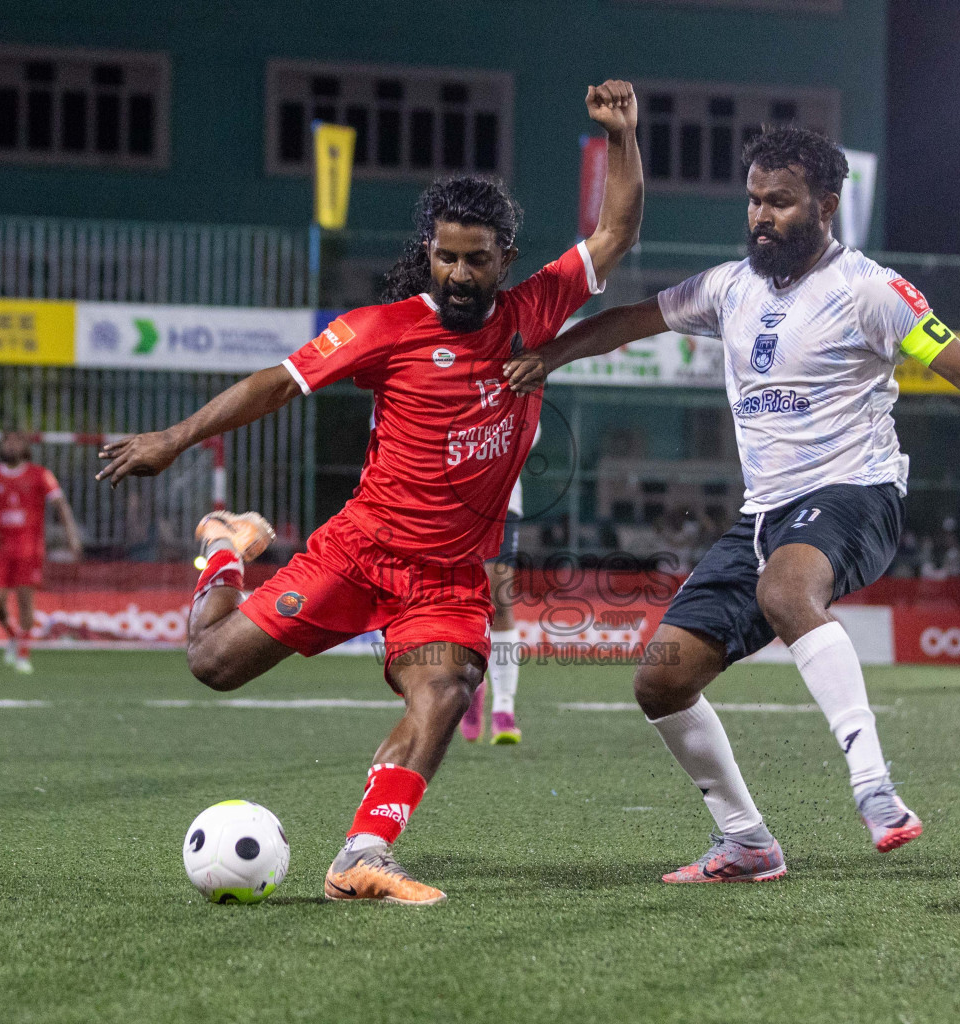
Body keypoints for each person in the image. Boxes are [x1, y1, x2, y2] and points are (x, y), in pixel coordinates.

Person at [503, 125, 960, 883]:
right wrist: (551, 352)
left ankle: (875, 788)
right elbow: (634, 318)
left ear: (825, 205)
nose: (761, 216)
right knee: (660, 678)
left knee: (787, 591)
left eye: (780, 203)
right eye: (754, 201)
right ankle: (747, 841)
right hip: (765, 517)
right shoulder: (728, 286)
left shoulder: (871, 291)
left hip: (858, 493)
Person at [96, 81, 643, 906]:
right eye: (446, 256)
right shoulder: (382, 330)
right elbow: (273, 386)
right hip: (360, 551)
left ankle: (365, 852)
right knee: (212, 664)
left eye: (478, 259)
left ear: (506, 257)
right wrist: (174, 440)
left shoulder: (536, 310)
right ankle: (224, 545)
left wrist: (623, 138)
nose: (460, 274)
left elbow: (617, 228)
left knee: (448, 687)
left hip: (449, 573)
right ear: (428, 251)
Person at [0, 432, 82, 674]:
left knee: (25, 601)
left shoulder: (39, 474)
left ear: (25, 446)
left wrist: (72, 536)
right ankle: (13, 635)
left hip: (29, 549)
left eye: (16, 441)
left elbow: (60, 505)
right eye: (7, 441)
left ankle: (23, 654)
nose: (11, 445)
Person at [460, 464, 531, 745]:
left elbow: (530, 430)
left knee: (499, 598)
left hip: (502, 497)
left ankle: (504, 709)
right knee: (462, 598)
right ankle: (474, 685)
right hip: (449, 500)